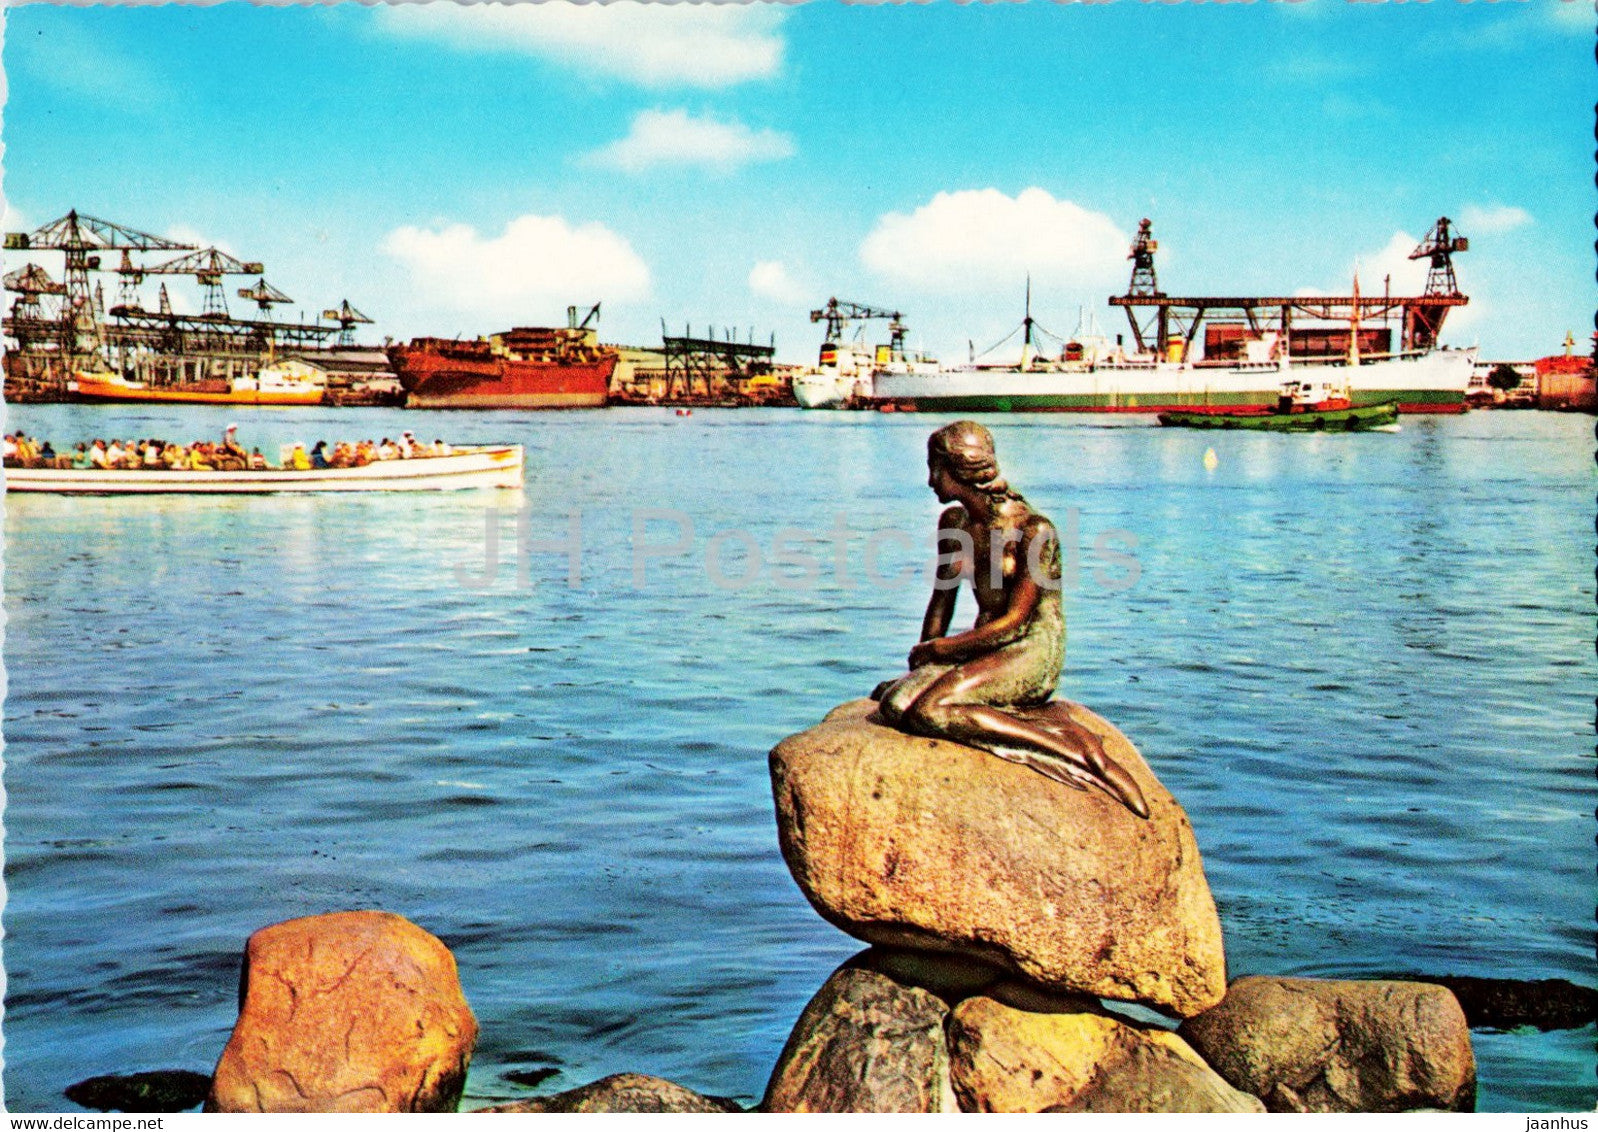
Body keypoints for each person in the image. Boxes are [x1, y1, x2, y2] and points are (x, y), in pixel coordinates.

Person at [873, 421, 1148, 819]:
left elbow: (1017, 622)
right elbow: (941, 601)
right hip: (984, 644)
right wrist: (923, 657)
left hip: (1029, 649)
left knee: (931, 711)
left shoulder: (1033, 531)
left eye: (935, 468)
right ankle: (1004, 714)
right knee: (897, 703)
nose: (931, 480)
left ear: (957, 470)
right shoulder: (955, 525)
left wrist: (942, 649)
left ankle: (1070, 745)